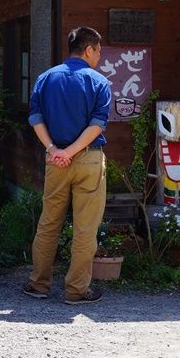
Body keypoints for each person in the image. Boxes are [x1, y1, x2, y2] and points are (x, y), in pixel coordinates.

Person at [23, 26, 111, 305]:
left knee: (49, 222)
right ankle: (76, 290)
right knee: (85, 228)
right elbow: (97, 125)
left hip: (55, 159)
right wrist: (72, 151)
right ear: (88, 50)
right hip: (88, 158)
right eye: (98, 50)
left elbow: (35, 118)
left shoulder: (45, 78)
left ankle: (39, 284)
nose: (99, 56)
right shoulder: (99, 82)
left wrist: (54, 150)